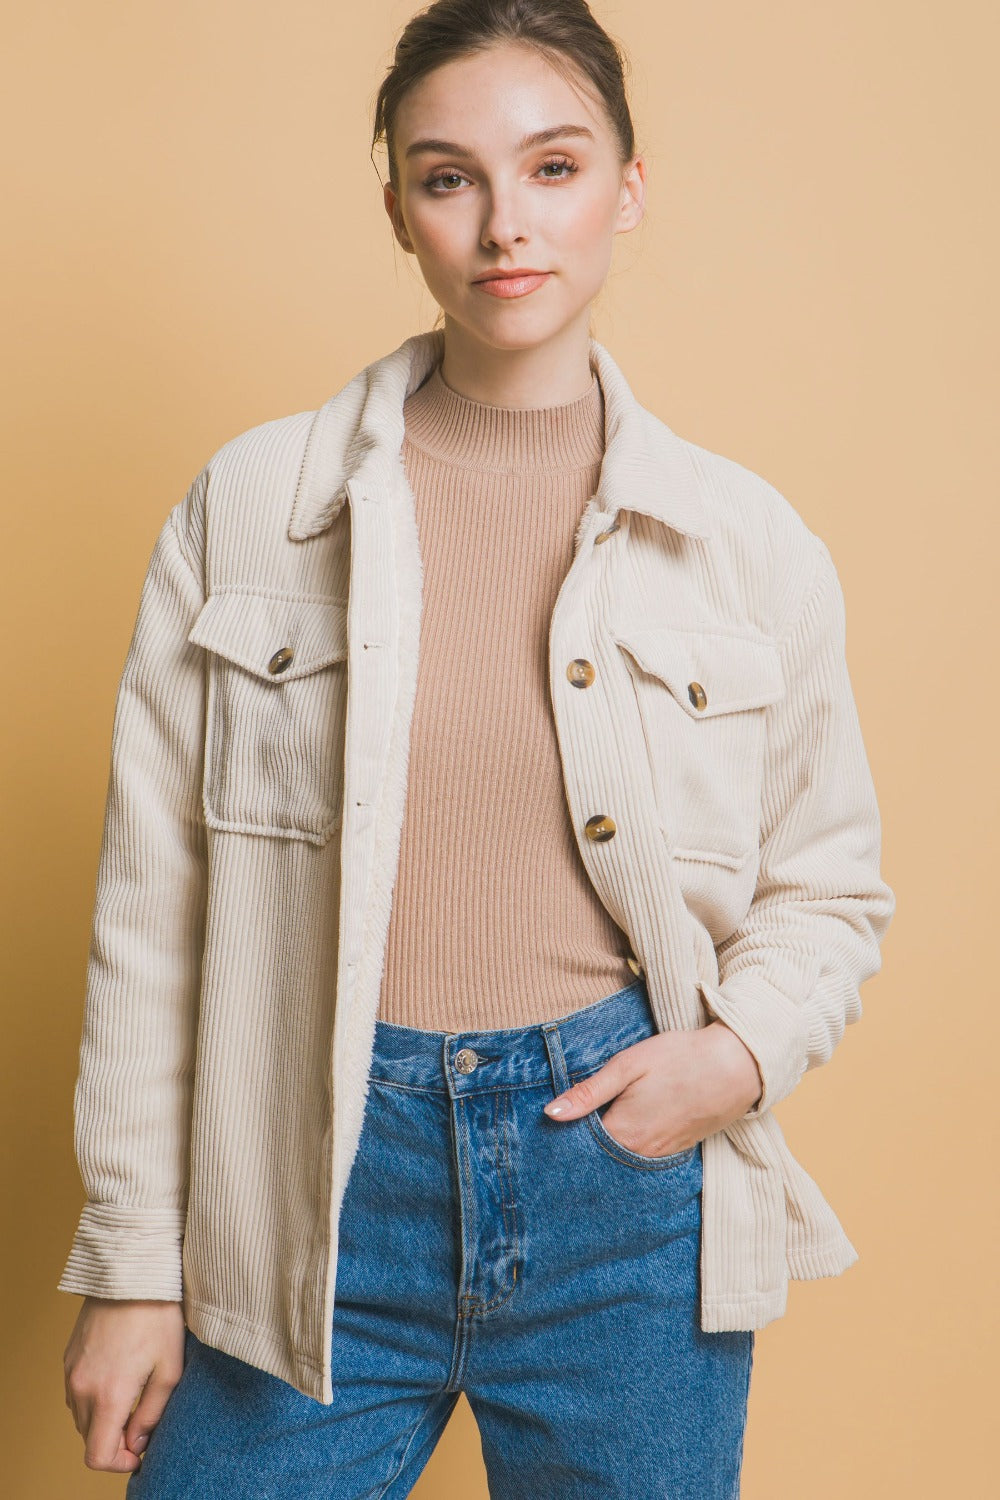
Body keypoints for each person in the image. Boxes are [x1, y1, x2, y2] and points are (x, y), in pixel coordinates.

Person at [59, 1, 895, 1495]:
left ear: (630, 188)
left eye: (555, 167)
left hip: (623, 1199)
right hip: (307, 1187)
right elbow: (153, 918)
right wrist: (134, 1264)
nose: (506, 223)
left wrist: (736, 1055)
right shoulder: (252, 507)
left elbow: (829, 889)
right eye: (449, 178)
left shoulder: (749, 545)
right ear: (398, 207)